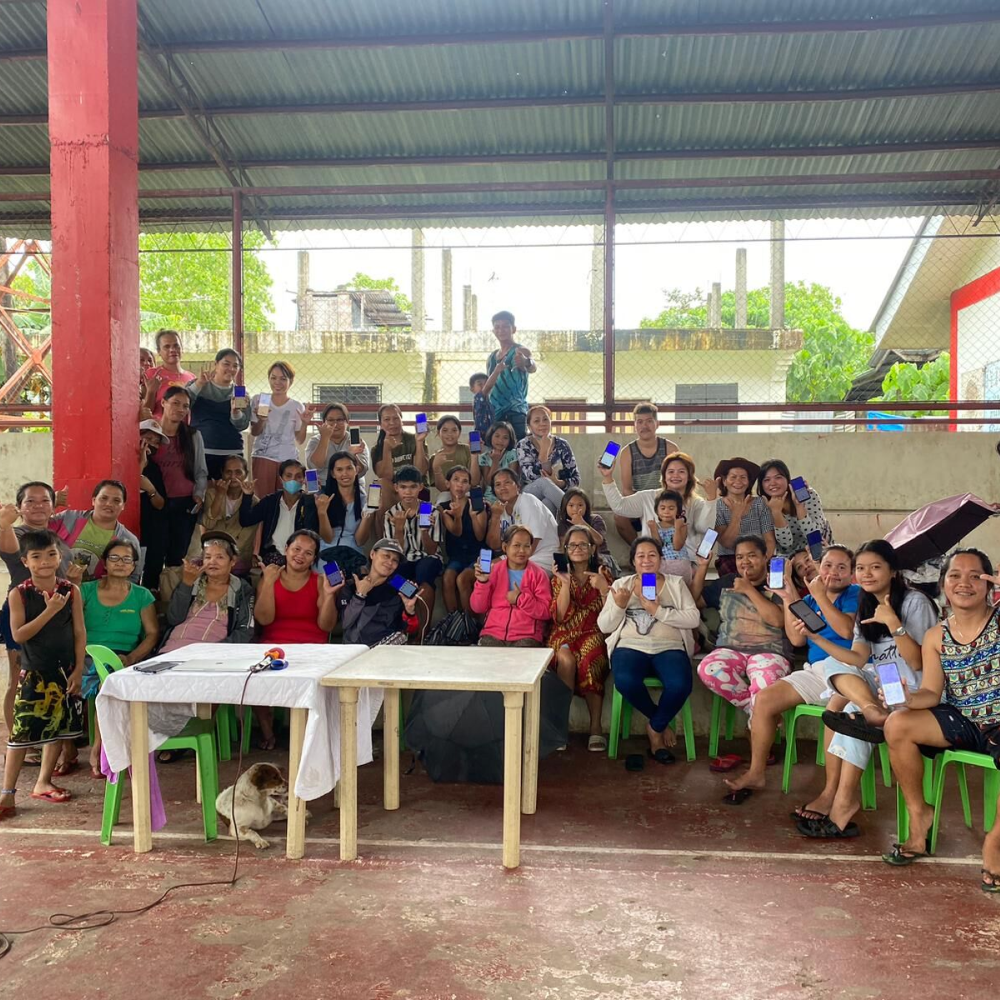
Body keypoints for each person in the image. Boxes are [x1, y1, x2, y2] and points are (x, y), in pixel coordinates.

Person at [796, 539, 938, 839]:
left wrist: (895, 625)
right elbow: (858, 657)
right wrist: (817, 638)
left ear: (892, 570)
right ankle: (871, 711)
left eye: (875, 567)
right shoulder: (866, 604)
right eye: (861, 568)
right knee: (835, 666)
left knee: (849, 711)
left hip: (914, 688)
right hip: (884, 685)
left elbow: (918, 662)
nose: (867, 574)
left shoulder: (914, 602)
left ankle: (844, 804)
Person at [881, 549, 1000, 884]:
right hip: (964, 718)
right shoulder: (937, 636)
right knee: (897, 724)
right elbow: (932, 692)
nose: (964, 583)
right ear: (943, 584)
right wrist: (907, 698)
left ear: (989, 583)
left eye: (975, 575)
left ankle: (995, 840)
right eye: (954, 575)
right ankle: (920, 817)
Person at [723, 544, 860, 797]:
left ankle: (833, 793)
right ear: (819, 567)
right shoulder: (807, 600)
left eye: (842, 567)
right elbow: (797, 640)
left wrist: (818, 596)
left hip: (848, 671)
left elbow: (845, 630)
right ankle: (756, 772)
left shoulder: (854, 594)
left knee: (837, 713)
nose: (834, 572)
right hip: (816, 670)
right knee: (764, 700)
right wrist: (788, 599)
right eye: (828, 565)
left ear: (851, 573)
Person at [0, 529, 86, 819]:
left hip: (65, 672)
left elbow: (79, 631)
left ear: (59, 556)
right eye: (37, 556)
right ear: (26, 561)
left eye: (51, 554)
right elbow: (20, 634)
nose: (45, 561)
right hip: (34, 673)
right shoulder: (19, 594)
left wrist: (79, 667)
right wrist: (49, 611)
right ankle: (7, 794)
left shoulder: (71, 590)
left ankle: (43, 782)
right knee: (21, 734)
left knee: (57, 729)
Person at [597, 536, 701, 762]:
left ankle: (654, 728)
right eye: (640, 556)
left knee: (681, 684)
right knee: (625, 681)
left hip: (669, 647)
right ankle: (659, 725)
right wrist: (619, 607)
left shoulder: (675, 584)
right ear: (633, 561)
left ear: (661, 560)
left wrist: (658, 610)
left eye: (652, 555)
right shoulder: (620, 585)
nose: (646, 560)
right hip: (630, 646)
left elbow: (693, 618)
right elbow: (604, 626)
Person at [0, 483, 72, 762]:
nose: (38, 506)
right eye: (30, 501)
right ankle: (20, 742)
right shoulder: (16, 532)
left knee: (53, 674)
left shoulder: (54, 537)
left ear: (54, 508)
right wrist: (5, 523)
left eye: (45, 501)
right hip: (22, 610)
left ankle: (49, 739)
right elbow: (8, 544)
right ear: (20, 507)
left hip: (58, 611)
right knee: (19, 674)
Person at [253, 530, 340, 749]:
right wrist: (269, 583)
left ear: (314, 559)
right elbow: (264, 618)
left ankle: (307, 735)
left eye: (309, 553)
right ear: (286, 550)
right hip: (274, 646)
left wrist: (329, 596)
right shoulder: (270, 576)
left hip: (312, 648)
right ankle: (267, 731)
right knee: (255, 676)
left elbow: (326, 626)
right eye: (296, 549)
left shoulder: (320, 581)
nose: (300, 556)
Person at [80, 540, 158, 777]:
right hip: (84, 655)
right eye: (115, 558)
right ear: (105, 562)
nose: (121, 563)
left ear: (134, 565)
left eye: (127, 559)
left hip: (121, 658)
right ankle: (67, 749)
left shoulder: (141, 595)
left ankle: (99, 748)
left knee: (110, 681)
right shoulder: (86, 590)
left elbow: (152, 634)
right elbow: (71, 626)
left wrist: (132, 657)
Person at [693, 534, 792, 718]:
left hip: (770, 651)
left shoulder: (777, 583)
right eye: (739, 557)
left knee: (764, 683)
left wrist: (748, 589)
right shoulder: (726, 582)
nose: (745, 561)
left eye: (752, 555)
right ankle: (755, 712)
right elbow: (695, 601)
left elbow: (778, 620)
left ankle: (757, 726)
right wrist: (702, 567)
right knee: (708, 669)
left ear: (765, 557)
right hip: (729, 649)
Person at [549, 525, 613, 749]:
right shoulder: (559, 576)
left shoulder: (603, 573)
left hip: (594, 631)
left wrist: (604, 589)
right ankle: (560, 726)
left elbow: (612, 613)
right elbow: (559, 616)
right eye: (572, 545)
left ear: (592, 548)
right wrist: (566, 584)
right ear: (565, 549)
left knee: (591, 659)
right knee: (565, 659)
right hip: (565, 632)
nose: (577, 549)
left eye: (583, 544)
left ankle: (595, 727)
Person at [600, 450, 716, 566]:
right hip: (650, 564)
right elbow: (619, 507)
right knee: (648, 584)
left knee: (682, 583)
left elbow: (705, 528)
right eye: (670, 471)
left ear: (690, 477)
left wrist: (711, 498)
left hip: (685, 564)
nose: (675, 475)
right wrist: (607, 477)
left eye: (681, 472)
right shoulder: (648, 497)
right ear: (664, 476)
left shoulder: (696, 503)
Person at [144, 386, 208, 588]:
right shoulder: (150, 432)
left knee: (177, 555)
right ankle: (150, 598)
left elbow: (200, 470)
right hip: (155, 503)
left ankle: (171, 601)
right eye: (176, 403)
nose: (180, 409)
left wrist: (199, 495)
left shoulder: (192, 435)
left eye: (186, 406)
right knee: (153, 554)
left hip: (184, 503)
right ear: (163, 402)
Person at [158, 531, 255, 653]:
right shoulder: (192, 582)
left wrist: (215, 651)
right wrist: (186, 585)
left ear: (232, 561)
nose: (212, 562)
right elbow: (173, 619)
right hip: (172, 652)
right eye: (208, 557)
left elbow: (245, 630)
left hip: (211, 657)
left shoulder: (241, 589)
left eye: (220, 557)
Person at [471, 524, 552, 647]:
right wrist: (482, 582)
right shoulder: (494, 571)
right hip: (493, 633)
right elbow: (478, 608)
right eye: (516, 545)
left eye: (527, 546)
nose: (522, 551)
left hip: (527, 636)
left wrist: (520, 599)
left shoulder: (539, 574)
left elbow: (546, 611)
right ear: (505, 547)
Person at [383, 465, 444, 626]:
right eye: (403, 487)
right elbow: (396, 552)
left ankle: (425, 629)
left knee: (425, 572)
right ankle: (411, 619)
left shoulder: (430, 511)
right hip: (404, 558)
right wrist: (399, 529)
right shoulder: (390, 514)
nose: (408, 492)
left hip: (428, 558)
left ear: (420, 487)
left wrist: (425, 531)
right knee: (393, 577)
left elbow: (431, 550)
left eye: (412, 487)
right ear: (396, 488)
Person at [50, 480, 141, 585]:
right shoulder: (68, 518)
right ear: (93, 500)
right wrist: (52, 504)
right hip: (54, 591)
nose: (109, 504)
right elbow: (32, 530)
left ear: (123, 505)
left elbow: (133, 578)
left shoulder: (128, 540)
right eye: (104, 498)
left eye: (116, 500)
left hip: (96, 598)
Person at [614, 403, 679, 544]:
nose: (645, 426)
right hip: (640, 501)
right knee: (620, 517)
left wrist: (661, 506)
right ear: (635, 425)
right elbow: (626, 489)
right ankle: (638, 550)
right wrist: (644, 506)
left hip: (666, 501)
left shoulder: (670, 448)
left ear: (657, 424)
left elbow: (677, 483)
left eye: (649, 421)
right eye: (640, 422)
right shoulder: (627, 452)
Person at [336, 539, 420, 647]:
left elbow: (412, 633)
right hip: (353, 650)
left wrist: (410, 611)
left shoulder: (399, 586)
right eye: (386, 556)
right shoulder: (352, 584)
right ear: (372, 554)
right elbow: (345, 623)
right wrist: (359, 595)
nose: (390, 563)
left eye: (395, 560)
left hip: (384, 651)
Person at [238, 459, 324, 565]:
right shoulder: (271, 501)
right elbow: (245, 520)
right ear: (281, 479)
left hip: (300, 557)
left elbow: (312, 531)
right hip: (273, 556)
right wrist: (247, 496)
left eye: (298, 476)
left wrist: (310, 498)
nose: (293, 480)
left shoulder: (309, 502)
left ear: (303, 480)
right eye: (288, 476)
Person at [186, 348, 251, 479]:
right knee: (204, 495)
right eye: (226, 364)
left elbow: (242, 425)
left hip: (233, 455)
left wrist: (235, 412)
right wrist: (199, 383)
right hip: (202, 452)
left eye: (235, 366)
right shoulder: (198, 384)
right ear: (216, 364)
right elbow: (182, 402)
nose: (231, 369)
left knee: (231, 496)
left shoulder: (240, 393)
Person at [484, 468, 559, 576]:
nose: (503, 488)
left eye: (507, 482)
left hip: (542, 559)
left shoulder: (528, 501)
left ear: (518, 486)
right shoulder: (499, 509)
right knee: (482, 571)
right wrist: (495, 516)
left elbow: (531, 547)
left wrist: (501, 562)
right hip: (518, 557)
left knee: (495, 573)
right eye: (498, 485)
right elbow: (494, 545)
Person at [708, 457, 776, 575]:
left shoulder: (759, 503)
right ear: (724, 481)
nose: (738, 481)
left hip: (760, 557)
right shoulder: (717, 506)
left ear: (749, 481)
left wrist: (762, 561)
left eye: (743, 477)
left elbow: (769, 540)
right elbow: (727, 543)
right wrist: (737, 515)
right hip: (731, 557)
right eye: (733, 477)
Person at [249, 361, 307, 497]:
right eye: (273, 378)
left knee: (287, 500)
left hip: (287, 460)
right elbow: (254, 432)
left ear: (291, 381)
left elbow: (300, 439)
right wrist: (262, 420)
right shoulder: (260, 399)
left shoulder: (297, 406)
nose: (277, 383)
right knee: (263, 501)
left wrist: (304, 423)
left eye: (283, 379)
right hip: (263, 457)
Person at [318, 450, 379, 579]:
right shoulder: (324, 498)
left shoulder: (364, 500)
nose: (345, 474)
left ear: (356, 470)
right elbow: (327, 538)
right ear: (332, 474)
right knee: (334, 581)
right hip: (327, 554)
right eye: (339, 470)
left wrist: (367, 515)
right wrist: (322, 513)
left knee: (355, 582)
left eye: (349, 468)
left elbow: (360, 540)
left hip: (353, 555)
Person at [757, 459, 832, 557]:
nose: (773, 483)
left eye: (778, 477)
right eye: (767, 480)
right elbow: (786, 544)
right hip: (790, 558)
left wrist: (799, 506)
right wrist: (776, 513)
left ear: (787, 479)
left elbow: (815, 536)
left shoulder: (808, 495)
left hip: (819, 551)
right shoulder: (763, 506)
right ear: (762, 485)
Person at [197, 455, 258, 577]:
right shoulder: (212, 494)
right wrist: (220, 495)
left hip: (238, 556)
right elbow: (208, 523)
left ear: (245, 474)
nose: (233, 477)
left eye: (238, 472)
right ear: (222, 474)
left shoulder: (253, 502)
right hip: (213, 553)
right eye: (228, 472)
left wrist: (255, 555)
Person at [438, 465, 488, 614]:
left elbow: (480, 536)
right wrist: (457, 516)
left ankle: (469, 625)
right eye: (456, 480)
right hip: (457, 555)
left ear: (469, 486)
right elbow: (455, 531)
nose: (460, 484)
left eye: (465, 481)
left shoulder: (478, 505)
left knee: (462, 579)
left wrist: (473, 516)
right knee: (447, 578)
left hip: (481, 554)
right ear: (448, 484)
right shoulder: (443, 507)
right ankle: (453, 623)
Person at [516, 404, 580, 517]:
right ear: (529, 427)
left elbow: (575, 479)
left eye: (546, 419)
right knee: (544, 482)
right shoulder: (524, 445)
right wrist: (544, 453)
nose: (542, 423)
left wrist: (558, 483)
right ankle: (573, 516)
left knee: (548, 503)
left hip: (555, 492)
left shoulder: (562, 444)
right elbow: (532, 477)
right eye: (536, 421)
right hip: (530, 492)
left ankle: (551, 533)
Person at [485, 310, 536, 441]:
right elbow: (488, 385)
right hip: (495, 411)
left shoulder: (520, 350)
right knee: (497, 449)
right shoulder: (491, 357)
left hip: (516, 410)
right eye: (497, 327)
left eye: (505, 326)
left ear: (513, 329)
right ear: (493, 331)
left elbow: (532, 367)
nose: (501, 330)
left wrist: (526, 362)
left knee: (518, 449)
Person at [370, 403, 430, 502]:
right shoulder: (377, 449)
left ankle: (422, 516)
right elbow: (386, 476)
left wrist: (419, 442)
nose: (392, 423)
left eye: (396, 418)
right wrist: (387, 449)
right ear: (380, 424)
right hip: (392, 490)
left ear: (402, 421)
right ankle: (378, 517)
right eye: (387, 419)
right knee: (377, 488)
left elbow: (421, 471)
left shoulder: (414, 439)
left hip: (416, 489)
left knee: (422, 501)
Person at [556, 487, 618, 578]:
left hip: (599, 557)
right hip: (575, 557)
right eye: (571, 505)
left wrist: (582, 523)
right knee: (560, 561)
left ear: (586, 506)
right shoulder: (563, 524)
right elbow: (564, 547)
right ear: (565, 507)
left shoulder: (596, 519)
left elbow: (598, 540)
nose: (576, 509)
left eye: (580, 505)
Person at [305, 402, 370, 484]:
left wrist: (353, 455)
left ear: (347, 422)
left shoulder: (356, 441)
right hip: (324, 486)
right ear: (324, 422)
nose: (335, 424)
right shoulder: (315, 441)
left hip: (351, 485)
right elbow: (315, 466)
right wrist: (324, 438)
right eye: (330, 420)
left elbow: (362, 471)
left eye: (339, 420)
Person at [143, 329, 196, 420]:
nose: (172, 350)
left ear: (181, 348)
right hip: (158, 430)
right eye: (167, 347)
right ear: (159, 351)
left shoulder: (192, 378)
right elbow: (144, 414)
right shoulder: (151, 374)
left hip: (184, 431)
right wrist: (151, 392)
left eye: (176, 345)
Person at [647, 488, 690, 584]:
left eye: (671, 508)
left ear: (678, 510)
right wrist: (653, 530)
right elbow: (658, 546)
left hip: (679, 563)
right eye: (662, 508)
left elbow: (677, 546)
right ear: (657, 511)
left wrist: (677, 528)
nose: (666, 511)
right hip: (661, 564)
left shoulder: (682, 525)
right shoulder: (656, 525)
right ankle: (649, 597)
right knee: (650, 578)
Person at [430, 414, 480, 496]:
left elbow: (474, 482)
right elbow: (442, 489)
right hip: (447, 496)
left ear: (459, 432)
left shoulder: (467, 450)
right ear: (438, 433)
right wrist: (436, 468)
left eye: (454, 430)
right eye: (445, 430)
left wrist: (474, 456)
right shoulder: (435, 458)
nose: (450, 434)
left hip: (467, 494)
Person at [479, 419, 519, 503]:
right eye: (497, 436)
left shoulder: (512, 454)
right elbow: (489, 482)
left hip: (509, 494)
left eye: (505, 437)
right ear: (491, 436)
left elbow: (513, 479)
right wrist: (495, 461)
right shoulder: (484, 457)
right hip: (490, 497)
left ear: (510, 440)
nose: (500, 440)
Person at [469, 371, 495, 439]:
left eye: (486, 383)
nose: (484, 386)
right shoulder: (478, 398)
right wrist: (497, 370)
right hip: (479, 435)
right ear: (472, 389)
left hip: (490, 434)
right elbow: (487, 388)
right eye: (480, 384)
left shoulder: (490, 402)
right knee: (476, 449)